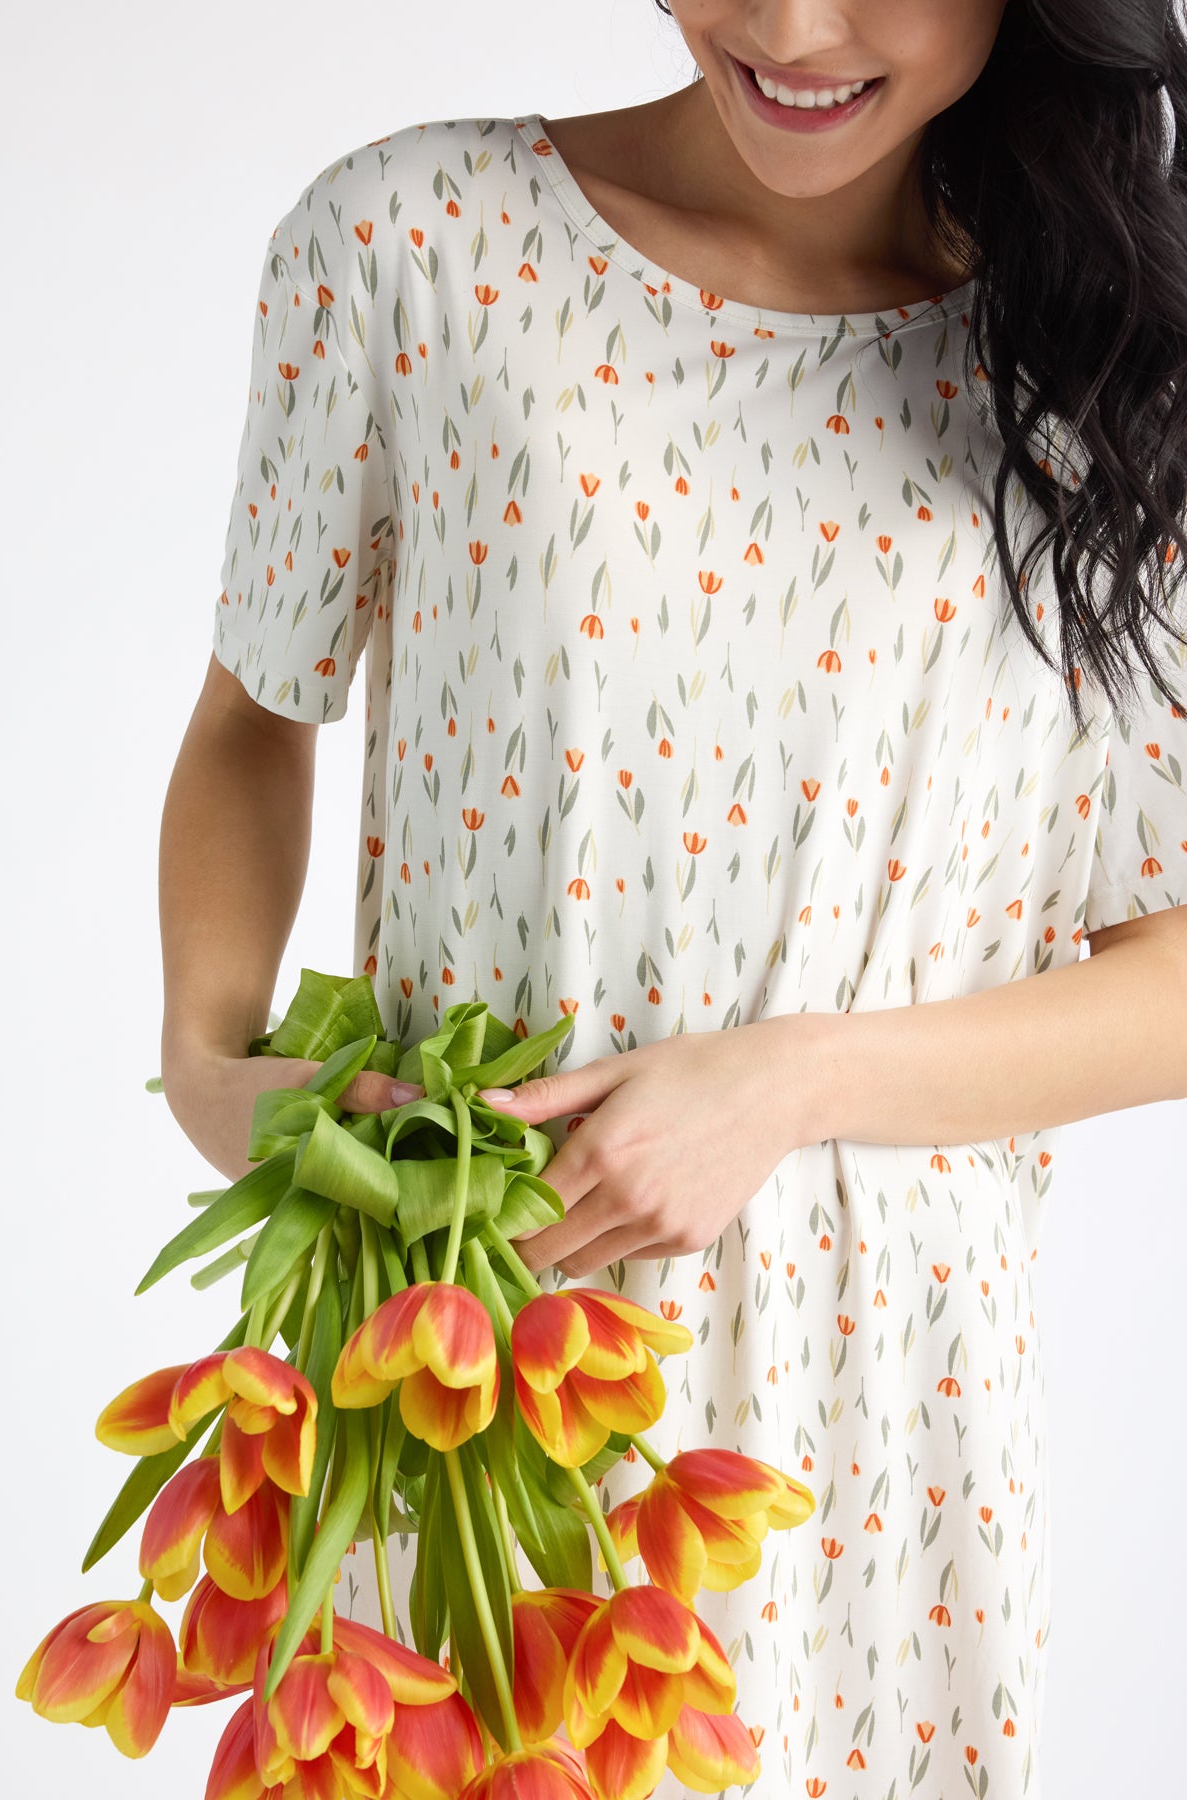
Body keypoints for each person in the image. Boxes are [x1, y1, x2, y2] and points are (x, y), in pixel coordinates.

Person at [158, 2, 1187, 1794]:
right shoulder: (416, 243)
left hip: (879, 1401)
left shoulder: (1107, 367)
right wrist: (207, 1060)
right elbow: (259, 713)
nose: (793, 27)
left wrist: (783, 1080)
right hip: (464, 1355)